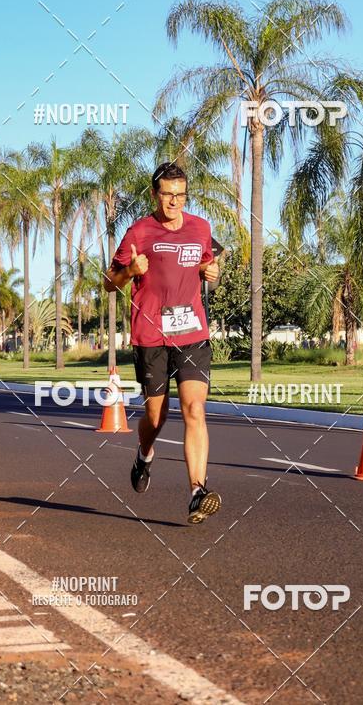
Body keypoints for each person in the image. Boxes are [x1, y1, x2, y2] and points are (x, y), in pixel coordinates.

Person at [104, 162, 221, 524]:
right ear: (155, 194)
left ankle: (197, 491)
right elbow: (110, 282)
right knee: (156, 416)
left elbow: (208, 262)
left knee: (195, 411)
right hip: (151, 336)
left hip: (192, 333)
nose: (175, 202)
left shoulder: (201, 227)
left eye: (181, 194)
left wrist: (211, 271)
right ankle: (144, 453)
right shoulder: (138, 232)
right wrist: (129, 272)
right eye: (168, 194)